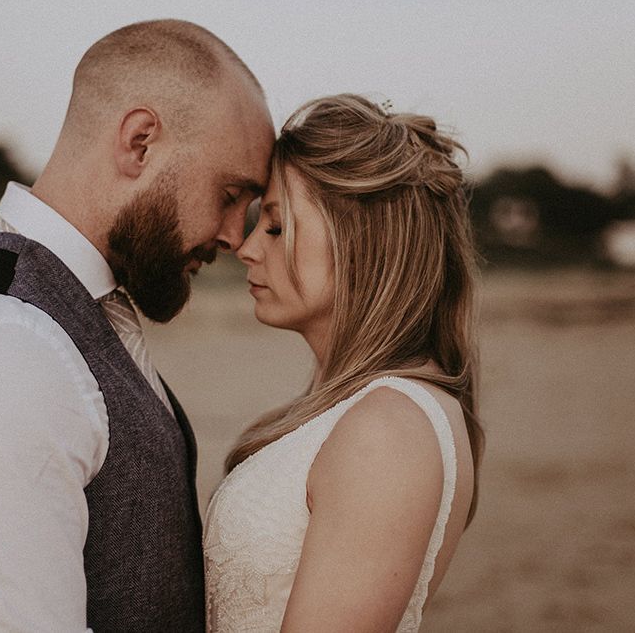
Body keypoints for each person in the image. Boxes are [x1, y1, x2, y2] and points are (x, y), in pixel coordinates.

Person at [0, 20, 274, 632]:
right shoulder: (0, 344)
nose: (235, 235)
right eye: (231, 192)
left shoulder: (70, 314)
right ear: (140, 142)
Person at [204, 94, 484, 632]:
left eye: (278, 227)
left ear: (361, 242)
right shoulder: (368, 411)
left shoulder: (388, 430)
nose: (245, 247)